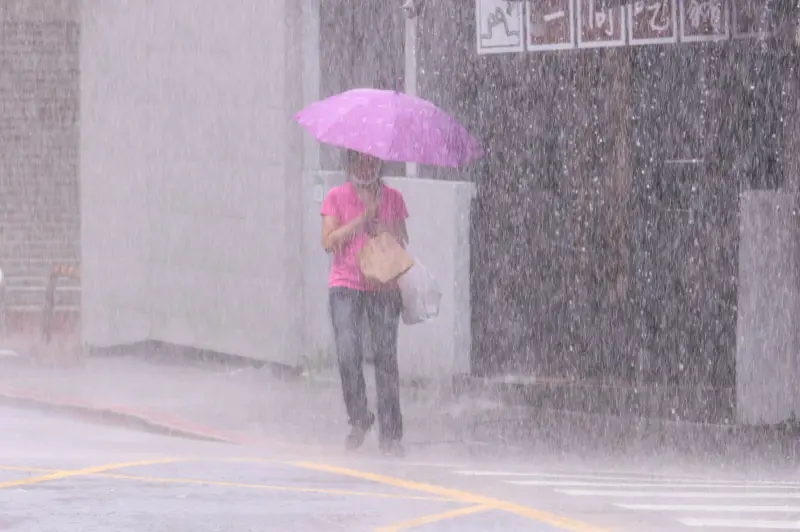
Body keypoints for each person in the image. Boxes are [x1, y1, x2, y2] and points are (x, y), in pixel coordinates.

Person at [320, 149, 409, 457]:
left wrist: (380, 225)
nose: (366, 166)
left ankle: (391, 436)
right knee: (348, 352)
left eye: (372, 160)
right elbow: (329, 241)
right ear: (350, 163)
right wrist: (360, 220)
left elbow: (401, 241)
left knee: (386, 358)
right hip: (345, 285)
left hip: (383, 285)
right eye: (359, 159)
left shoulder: (393, 198)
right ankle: (359, 417)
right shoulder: (336, 196)